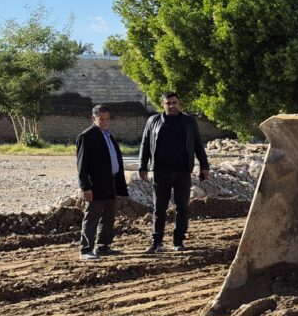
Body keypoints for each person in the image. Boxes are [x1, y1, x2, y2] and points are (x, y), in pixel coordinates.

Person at [138, 92, 210, 253]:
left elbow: (198, 145)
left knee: (182, 207)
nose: (171, 106)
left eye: (174, 102)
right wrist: (142, 166)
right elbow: (145, 144)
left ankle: (178, 241)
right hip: (160, 172)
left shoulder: (189, 121)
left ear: (179, 103)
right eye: (168, 103)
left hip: (182, 171)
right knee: (159, 208)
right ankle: (157, 242)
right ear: (162, 104)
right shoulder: (153, 121)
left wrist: (204, 166)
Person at [76, 104, 129, 260]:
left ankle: (103, 247)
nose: (105, 122)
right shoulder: (86, 136)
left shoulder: (108, 135)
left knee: (108, 217)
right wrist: (85, 187)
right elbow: (82, 166)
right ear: (94, 118)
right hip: (96, 184)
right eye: (102, 119)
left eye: (107, 119)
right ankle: (86, 249)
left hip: (111, 182)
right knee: (92, 217)